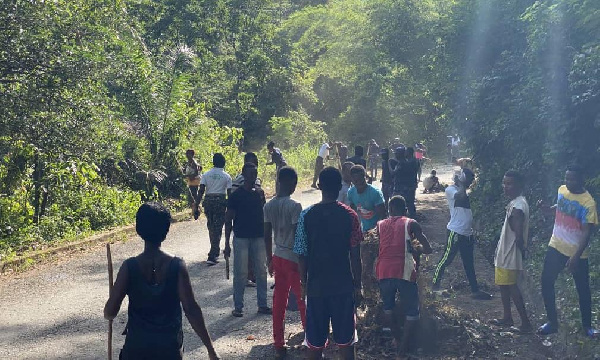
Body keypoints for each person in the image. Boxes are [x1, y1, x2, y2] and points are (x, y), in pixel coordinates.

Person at [104, 202, 220, 360]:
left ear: (139, 230)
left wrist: (111, 304)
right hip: (169, 350)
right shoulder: (177, 266)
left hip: (136, 350)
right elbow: (191, 309)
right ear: (166, 231)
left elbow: (110, 313)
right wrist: (211, 350)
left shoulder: (129, 267)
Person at [294, 167, 363, 360]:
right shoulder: (350, 215)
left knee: (314, 344)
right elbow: (355, 255)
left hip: (316, 287)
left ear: (320, 186)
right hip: (343, 287)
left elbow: (302, 254)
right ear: (340, 185)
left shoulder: (306, 216)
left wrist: (304, 284)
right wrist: (358, 286)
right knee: (346, 343)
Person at [537, 165, 599, 337]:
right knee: (546, 281)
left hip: (577, 252)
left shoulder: (588, 203)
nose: (568, 182)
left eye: (572, 179)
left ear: (581, 180)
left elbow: (587, 233)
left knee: (583, 289)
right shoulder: (562, 190)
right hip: (556, 245)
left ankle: (587, 327)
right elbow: (561, 206)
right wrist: (548, 209)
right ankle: (552, 322)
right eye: (566, 178)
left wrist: (576, 257)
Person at [376, 196, 432, 359]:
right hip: (404, 270)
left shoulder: (379, 225)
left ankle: (398, 339)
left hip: (383, 270)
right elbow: (427, 248)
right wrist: (418, 249)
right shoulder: (411, 223)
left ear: (390, 209)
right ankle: (403, 349)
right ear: (405, 209)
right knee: (412, 311)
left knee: (388, 307)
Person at [264, 167, 307, 359]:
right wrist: (303, 260)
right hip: (293, 258)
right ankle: (310, 338)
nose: (294, 187)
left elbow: (266, 235)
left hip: (277, 255)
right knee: (303, 299)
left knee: (279, 301)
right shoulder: (295, 206)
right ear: (289, 182)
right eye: (294, 183)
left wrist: (269, 259)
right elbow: (299, 236)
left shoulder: (268, 206)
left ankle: (279, 343)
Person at [432, 168, 491, 300]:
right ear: (461, 178)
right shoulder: (451, 190)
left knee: (469, 263)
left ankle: (475, 290)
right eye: (469, 179)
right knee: (445, 259)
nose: (470, 183)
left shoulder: (463, 190)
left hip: (467, 233)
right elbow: (461, 196)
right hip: (455, 231)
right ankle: (434, 285)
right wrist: (462, 183)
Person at [224, 163, 270, 317]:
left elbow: (264, 216)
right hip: (241, 237)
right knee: (241, 273)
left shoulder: (260, 193)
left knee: (261, 271)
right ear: (243, 174)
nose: (253, 175)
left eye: (255, 172)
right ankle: (238, 307)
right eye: (250, 173)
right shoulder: (236, 196)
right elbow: (228, 218)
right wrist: (226, 244)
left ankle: (262, 305)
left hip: (258, 237)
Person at [490, 170, 532, 333]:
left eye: (510, 183)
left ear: (519, 185)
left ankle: (525, 323)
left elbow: (518, 234)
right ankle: (507, 317)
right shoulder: (517, 203)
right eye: (504, 183)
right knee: (504, 285)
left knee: (511, 286)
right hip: (505, 253)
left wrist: (522, 250)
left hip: (510, 254)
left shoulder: (518, 207)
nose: (505, 187)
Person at [231, 152, 262, 286]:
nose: (254, 165)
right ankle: (248, 275)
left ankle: (252, 274)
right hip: (243, 221)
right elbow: (234, 199)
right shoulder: (238, 180)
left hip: (255, 221)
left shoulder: (257, 180)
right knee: (247, 253)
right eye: (251, 162)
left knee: (253, 252)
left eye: (255, 163)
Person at [197, 153, 232, 265]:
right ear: (223, 163)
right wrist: (231, 208)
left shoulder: (206, 175)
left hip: (208, 202)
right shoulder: (227, 176)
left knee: (211, 226)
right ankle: (213, 254)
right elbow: (229, 194)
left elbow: (201, 190)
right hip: (220, 202)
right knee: (218, 227)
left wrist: (196, 204)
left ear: (213, 162)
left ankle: (213, 250)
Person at [348, 165, 387, 231]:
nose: (359, 183)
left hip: (376, 230)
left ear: (365, 177)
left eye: (361, 180)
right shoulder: (351, 192)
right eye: (356, 181)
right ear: (352, 180)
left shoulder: (375, 193)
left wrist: (376, 230)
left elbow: (383, 215)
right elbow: (352, 208)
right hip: (363, 230)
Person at [389, 147, 418, 218]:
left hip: (401, 189)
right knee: (410, 205)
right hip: (407, 187)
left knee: (397, 205)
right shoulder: (408, 162)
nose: (395, 155)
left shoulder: (401, 163)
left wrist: (388, 163)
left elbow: (393, 173)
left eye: (396, 153)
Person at [183, 149, 202, 220]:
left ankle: (196, 211)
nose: (187, 156)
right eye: (186, 154)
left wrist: (190, 176)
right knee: (193, 196)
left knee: (193, 196)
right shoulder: (189, 162)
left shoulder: (194, 162)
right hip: (191, 181)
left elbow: (196, 172)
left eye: (188, 154)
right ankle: (196, 210)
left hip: (194, 181)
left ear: (192, 155)